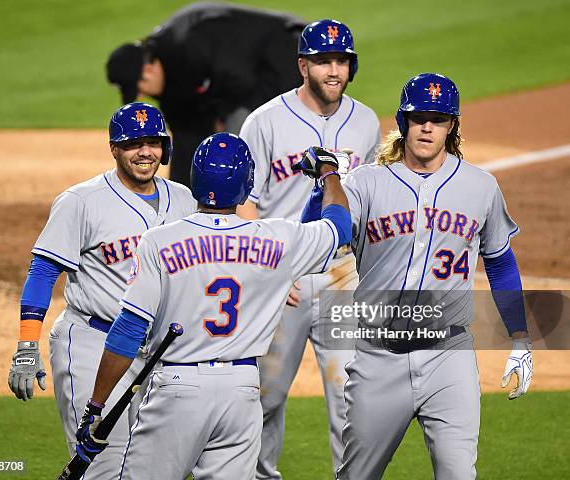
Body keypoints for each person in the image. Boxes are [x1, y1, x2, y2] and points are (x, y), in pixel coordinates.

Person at [73, 134, 352, 479]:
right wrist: (327, 174)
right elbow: (336, 228)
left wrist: (95, 406)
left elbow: (129, 330)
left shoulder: (159, 241)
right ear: (247, 183)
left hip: (176, 387)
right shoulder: (280, 240)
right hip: (242, 390)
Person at [333, 73, 533, 479]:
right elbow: (325, 233)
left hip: (449, 357)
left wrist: (520, 337)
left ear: (452, 125)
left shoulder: (481, 187)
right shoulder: (364, 183)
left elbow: (499, 261)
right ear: (404, 121)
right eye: (419, 116)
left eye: (438, 118)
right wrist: (326, 181)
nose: (427, 126)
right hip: (378, 357)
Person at [7, 102, 196, 478]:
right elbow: (44, 271)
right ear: (114, 148)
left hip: (160, 351)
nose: (145, 152)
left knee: (157, 468)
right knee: (103, 469)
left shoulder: (185, 200)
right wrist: (27, 345)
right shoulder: (82, 201)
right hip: (95, 344)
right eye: (133, 144)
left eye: (153, 142)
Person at [236, 19, 380, 478]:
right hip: (285, 277)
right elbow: (244, 203)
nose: (333, 70)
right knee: (266, 392)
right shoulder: (265, 122)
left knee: (350, 393)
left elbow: (375, 202)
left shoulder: (367, 122)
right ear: (303, 66)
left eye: (341, 61)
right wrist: (269, 270)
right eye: (323, 62)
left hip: (343, 278)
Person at [106, 2, 306, 187]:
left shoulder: (189, 43)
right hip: (250, 77)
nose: (142, 96)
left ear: (148, 70)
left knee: (236, 132)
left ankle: (252, 202)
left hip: (287, 54)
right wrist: (181, 193)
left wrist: (219, 116)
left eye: (140, 88)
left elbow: (240, 80)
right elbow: (186, 137)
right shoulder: (168, 83)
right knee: (212, 129)